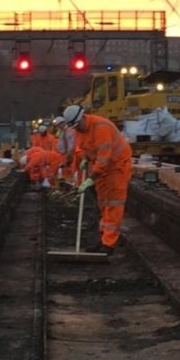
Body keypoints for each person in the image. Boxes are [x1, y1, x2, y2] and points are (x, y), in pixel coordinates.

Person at [62, 104, 133, 255]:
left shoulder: (101, 127)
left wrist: (90, 179)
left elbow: (103, 159)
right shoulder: (79, 130)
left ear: (83, 117)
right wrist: (85, 158)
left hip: (117, 166)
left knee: (113, 204)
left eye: (77, 125)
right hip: (101, 168)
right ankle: (104, 239)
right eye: (74, 127)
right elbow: (84, 147)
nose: (76, 129)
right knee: (103, 204)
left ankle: (109, 244)